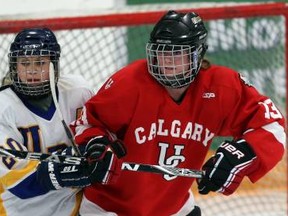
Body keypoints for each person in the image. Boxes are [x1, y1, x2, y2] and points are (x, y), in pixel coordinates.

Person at [71, 10, 286, 216]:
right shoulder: (129, 84)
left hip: (176, 210)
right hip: (109, 210)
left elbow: (272, 125)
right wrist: (95, 146)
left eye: (178, 53)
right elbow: (88, 124)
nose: (167, 62)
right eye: (162, 53)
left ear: (198, 54)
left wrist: (240, 156)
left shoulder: (220, 88)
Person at [0, 28, 123, 216]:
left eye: (40, 62)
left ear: (54, 65)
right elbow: (20, 184)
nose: (32, 70)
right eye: (24, 63)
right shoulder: (3, 107)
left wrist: (102, 145)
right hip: (19, 210)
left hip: (75, 207)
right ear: (15, 66)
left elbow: (95, 133)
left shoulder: (77, 91)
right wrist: (65, 168)